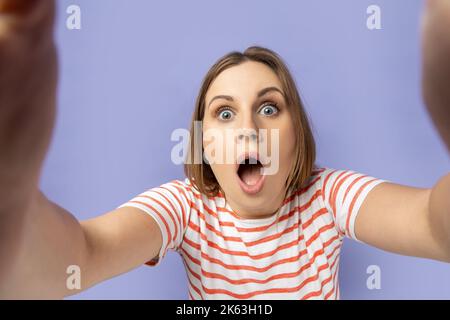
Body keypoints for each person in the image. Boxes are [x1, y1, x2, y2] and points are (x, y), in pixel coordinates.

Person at [0, 0, 449, 299]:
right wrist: (12, 184)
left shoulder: (327, 196)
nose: (249, 129)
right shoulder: (185, 208)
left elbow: (432, 226)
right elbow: (79, 258)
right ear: (203, 143)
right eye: (225, 114)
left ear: (298, 135)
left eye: (270, 107)